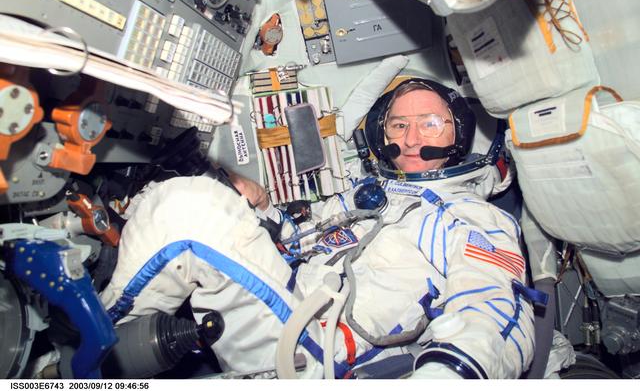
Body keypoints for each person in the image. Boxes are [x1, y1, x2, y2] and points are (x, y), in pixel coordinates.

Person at [100, 78, 540, 379]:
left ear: (457, 134)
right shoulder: (370, 193)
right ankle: (108, 349)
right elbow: (301, 239)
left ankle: (96, 348)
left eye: (429, 123)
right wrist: (266, 207)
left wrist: (444, 377)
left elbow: (494, 313)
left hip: (318, 351)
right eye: (399, 124)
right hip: (292, 300)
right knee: (194, 195)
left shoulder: (469, 216)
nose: (409, 138)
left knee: (190, 205)